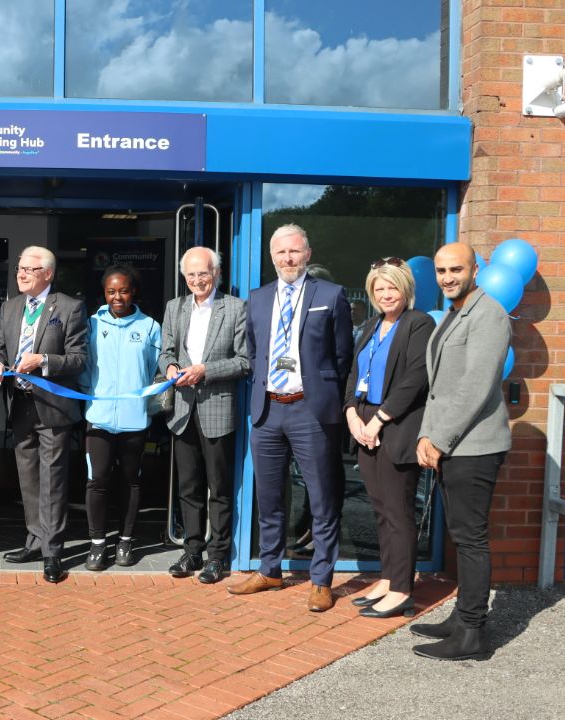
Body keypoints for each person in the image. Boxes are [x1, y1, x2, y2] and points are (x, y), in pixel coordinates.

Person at [230, 223, 352, 613]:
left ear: (308, 254)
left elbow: (342, 355)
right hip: (268, 410)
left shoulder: (330, 296)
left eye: (295, 252)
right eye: (281, 253)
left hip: (311, 410)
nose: (288, 258)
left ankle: (321, 580)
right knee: (269, 497)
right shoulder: (259, 298)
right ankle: (270, 569)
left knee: (321, 498)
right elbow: (253, 352)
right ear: (272, 257)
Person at [411, 242, 511, 661]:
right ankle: (461, 616)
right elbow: (441, 389)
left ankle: (472, 633)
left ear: (476, 269)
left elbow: (474, 387)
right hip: (454, 445)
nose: (447, 277)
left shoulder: (489, 315)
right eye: (440, 270)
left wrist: (437, 439)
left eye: (456, 269)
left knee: (470, 539)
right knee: (460, 535)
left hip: (474, 447)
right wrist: (425, 434)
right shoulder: (456, 312)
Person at [342, 258, 434, 618]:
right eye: (379, 289)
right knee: (379, 510)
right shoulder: (370, 325)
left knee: (398, 511)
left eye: (391, 287)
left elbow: (415, 379)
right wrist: (351, 413)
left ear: (405, 289)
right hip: (363, 424)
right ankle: (388, 577)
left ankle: (402, 590)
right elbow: (353, 374)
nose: (385, 294)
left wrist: (378, 420)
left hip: (395, 425)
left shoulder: (418, 324)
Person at [0, 246, 86, 583]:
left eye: (29, 269)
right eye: (19, 268)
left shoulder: (70, 307)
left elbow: (79, 359)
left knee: (53, 481)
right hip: (19, 405)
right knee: (28, 478)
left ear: (47, 273)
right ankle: (34, 540)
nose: (21, 273)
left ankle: (53, 551)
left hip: (53, 407)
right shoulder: (11, 307)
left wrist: (42, 360)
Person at [159, 246, 251, 583]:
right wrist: (168, 366)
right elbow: (166, 350)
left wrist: (205, 370)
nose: (198, 280)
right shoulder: (175, 307)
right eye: (192, 274)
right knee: (188, 486)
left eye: (204, 273)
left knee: (219, 487)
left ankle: (218, 557)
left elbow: (245, 360)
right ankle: (192, 551)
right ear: (185, 277)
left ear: (217, 273)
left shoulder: (236, 308)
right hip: (182, 409)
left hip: (217, 409)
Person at [79, 265, 160, 572]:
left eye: (123, 291)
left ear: (133, 292)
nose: (117, 297)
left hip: (135, 421)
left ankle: (125, 541)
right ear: (104, 293)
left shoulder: (150, 326)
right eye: (111, 291)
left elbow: (156, 369)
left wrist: (145, 406)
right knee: (97, 480)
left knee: (130, 481)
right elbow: (84, 365)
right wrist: (89, 397)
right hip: (98, 419)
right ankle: (98, 544)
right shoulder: (91, 324)